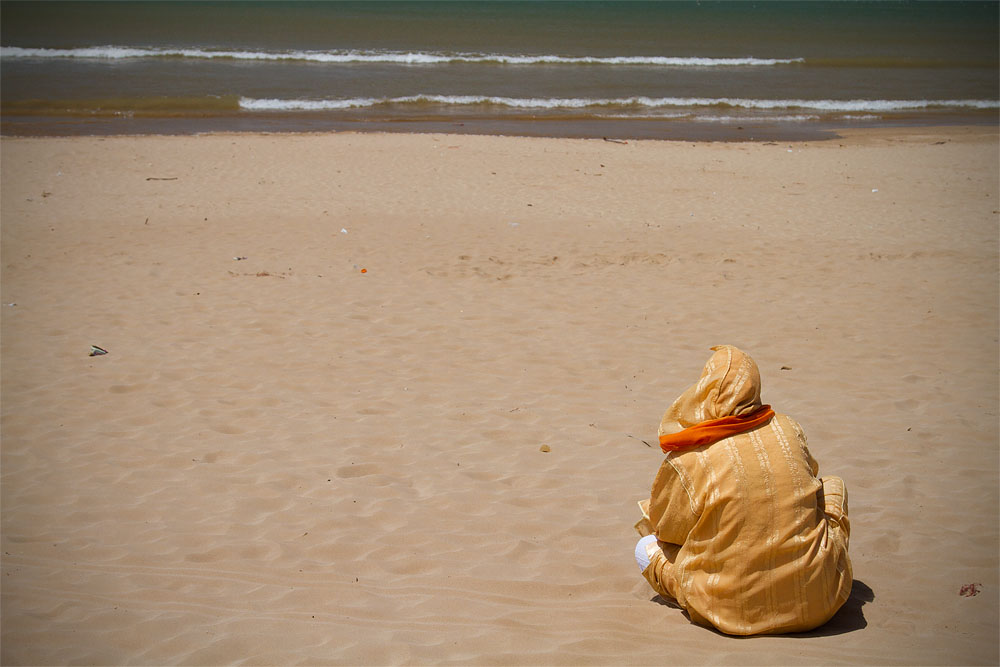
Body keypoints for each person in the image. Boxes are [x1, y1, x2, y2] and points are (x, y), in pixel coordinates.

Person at [634, 345, 852, 635]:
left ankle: (697, 596)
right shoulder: (788, 428)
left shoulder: (689, 458)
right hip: (821, 603)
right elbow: (811, 479)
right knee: (832, 486)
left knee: (645, 548)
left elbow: (667, 529)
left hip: (728, 612)